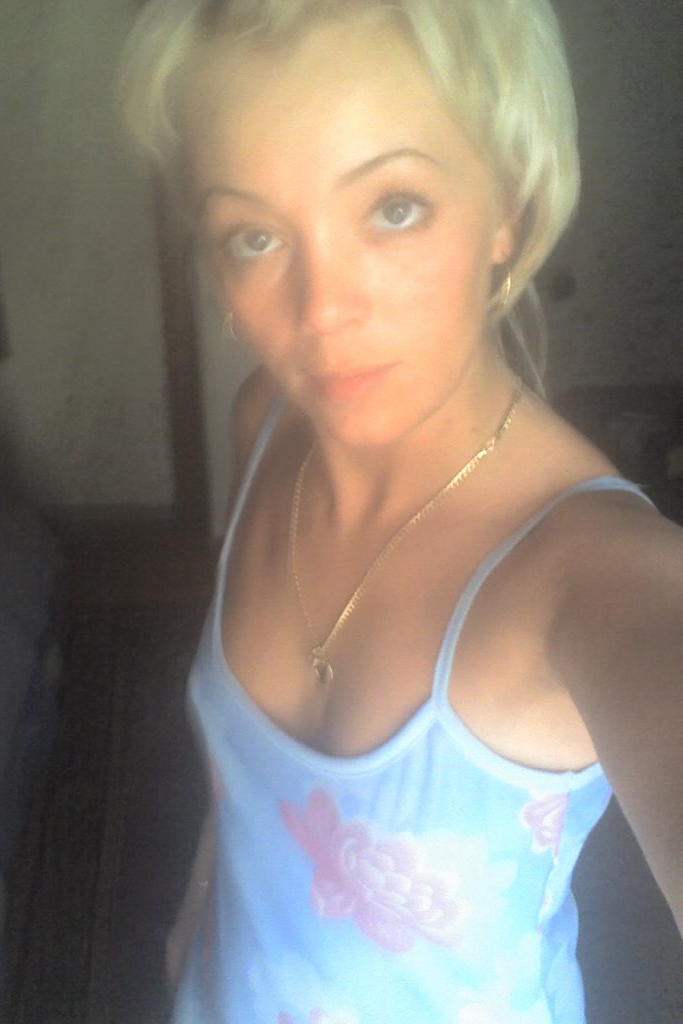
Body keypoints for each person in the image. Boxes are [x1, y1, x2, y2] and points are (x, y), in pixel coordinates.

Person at [120, 1, 683, 1020]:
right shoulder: (265, 425)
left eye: (393, 207)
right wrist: (203, 891)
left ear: (509, 205)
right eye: (254, 235)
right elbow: (253, 785)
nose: (322, 309)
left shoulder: (598, 576)